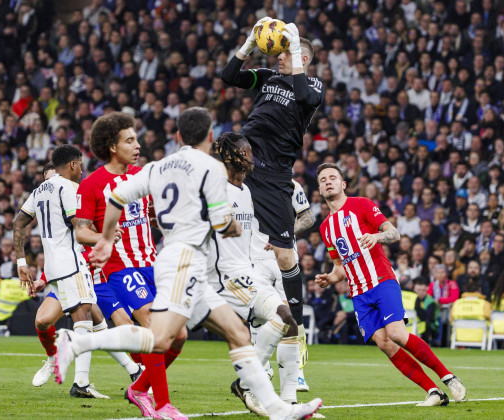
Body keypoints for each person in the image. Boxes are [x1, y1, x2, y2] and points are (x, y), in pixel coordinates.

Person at [53, 107, 323, 420]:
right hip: (185, 259)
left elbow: (116, 200)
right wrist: (230, 226)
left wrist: (105, 237)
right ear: (209, 136)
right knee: (160, 337)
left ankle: (277, 409)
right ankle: (78, 342)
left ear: (179, 136)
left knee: (235, 332)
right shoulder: (209, 168)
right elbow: (223, 221)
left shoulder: (156, 167)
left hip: (176, 261)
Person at [314, 163, 465, 406]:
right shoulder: (325, 228)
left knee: (396, 334)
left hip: (381, 280)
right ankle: (433, 392)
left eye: (333, 177)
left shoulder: (361, 204)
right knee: (384, 343)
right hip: (358, 293)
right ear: (319, 189)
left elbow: (394, 234)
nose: (327, 181)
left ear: (343, 184)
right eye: (323, 180)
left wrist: (376, 236)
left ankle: (448, 376)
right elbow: (339, 266)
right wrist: (331, 278)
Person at [220, 18, 325, 362]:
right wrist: (249, 43)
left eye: (286, 52)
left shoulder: (313, 86)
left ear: (303, 59)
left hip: (277, 175)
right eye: (278, 50)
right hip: (246, 161)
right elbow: (229, 76)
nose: (278, 56)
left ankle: (294, 324)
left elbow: (305, 95)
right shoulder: (267, 78)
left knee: (285, 256)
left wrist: (294, 46)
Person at [75, 111, 187, 418]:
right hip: (119, 269)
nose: (137, 144)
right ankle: (162, 404)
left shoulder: (145, 176)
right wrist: (101, 235)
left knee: (178, 335)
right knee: (151, 326)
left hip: (153, 265)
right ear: (112, 146)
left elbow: (152, 214)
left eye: (135, 138)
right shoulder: (92, 184)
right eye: (129, 140)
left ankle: (138, 387)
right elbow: (80, 229)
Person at [207, 132, 303, 415]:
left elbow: (245, 237)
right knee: (284, 316)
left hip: (246, 272)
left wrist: (267, 244)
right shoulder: (215, 189)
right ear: (230, 155)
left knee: (290, 323)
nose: (251, 156)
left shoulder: (245, 191)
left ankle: (288, 400)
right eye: (246, 151)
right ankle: (247, 382)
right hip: (225, 276)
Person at [26, 163, 142, 396]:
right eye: (48, 181)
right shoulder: (56, 210)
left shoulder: (85, 202)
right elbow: (62, 250)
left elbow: (96, 240)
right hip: (70, 275)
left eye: (57, 178)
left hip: (97, 276)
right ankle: (56, 360)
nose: (54, 186)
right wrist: (44, 278)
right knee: (43, 321)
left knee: (119, 325)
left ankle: (139, 372)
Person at [13, 145, 100, 398]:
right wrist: (105, 238)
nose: (82, 170)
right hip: (72, 263)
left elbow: (18, 223)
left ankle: (128, 369)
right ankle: (82, 383)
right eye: (81, 164)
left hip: (52, 269)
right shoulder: (71, 188)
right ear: (72, 165)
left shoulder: (39, 190)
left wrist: (21, 264)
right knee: (84, 317)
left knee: (70, 317)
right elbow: (80, 229)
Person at [250, 178, 315, 391]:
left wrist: (285, 236)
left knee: (290, 316)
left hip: (285, 257)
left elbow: (307, 216)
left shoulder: (291, 184)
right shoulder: (244, 182)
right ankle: (264, 367)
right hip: (254, 259)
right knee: (257, 314)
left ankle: (297, 374)